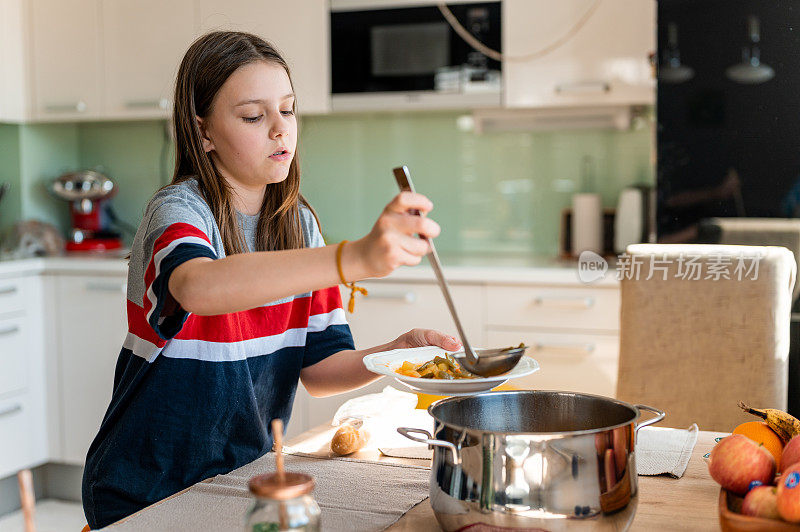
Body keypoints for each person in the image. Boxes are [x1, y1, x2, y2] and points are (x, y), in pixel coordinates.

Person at [81, 31, 460, 529]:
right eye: (255, 117)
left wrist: (396, 352)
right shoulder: (178, 212)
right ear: (203, 134)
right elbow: (200, 287)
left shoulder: (299, 224)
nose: (281, 130)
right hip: (147, 488)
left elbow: (320, 370)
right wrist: (354, 257)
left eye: (288, 109)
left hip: (244, 478)